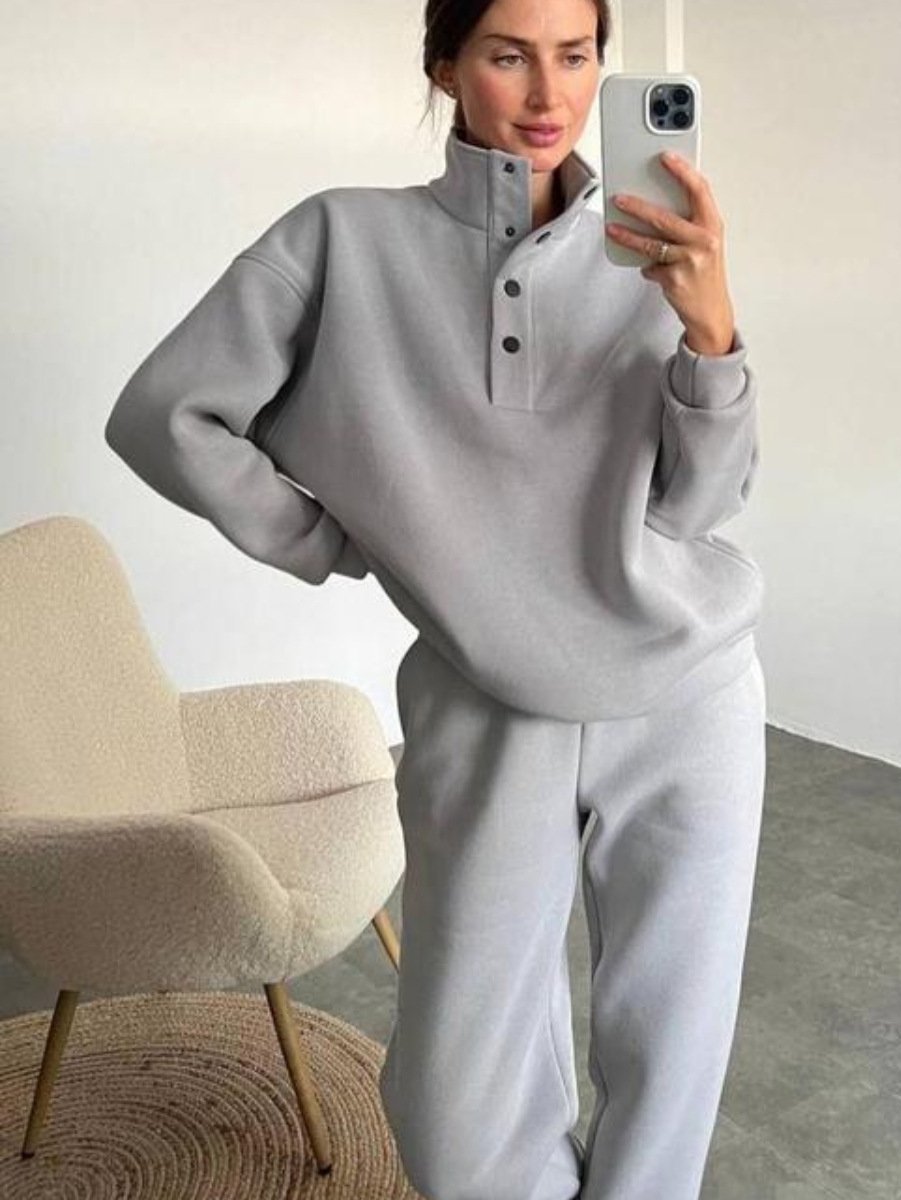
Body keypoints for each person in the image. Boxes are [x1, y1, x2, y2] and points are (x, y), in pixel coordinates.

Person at [104, 0, 766, 1196]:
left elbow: (700, 505)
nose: (549, 94)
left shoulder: (652, 247)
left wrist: (710, 329)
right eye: (509, 56)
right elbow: (167, 416)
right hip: (483, 697)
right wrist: (330, 537)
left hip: (688, 691)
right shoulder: (342, 241)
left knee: (672, 1052)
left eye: (576, 57)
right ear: (446, 64)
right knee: (459, 1105)